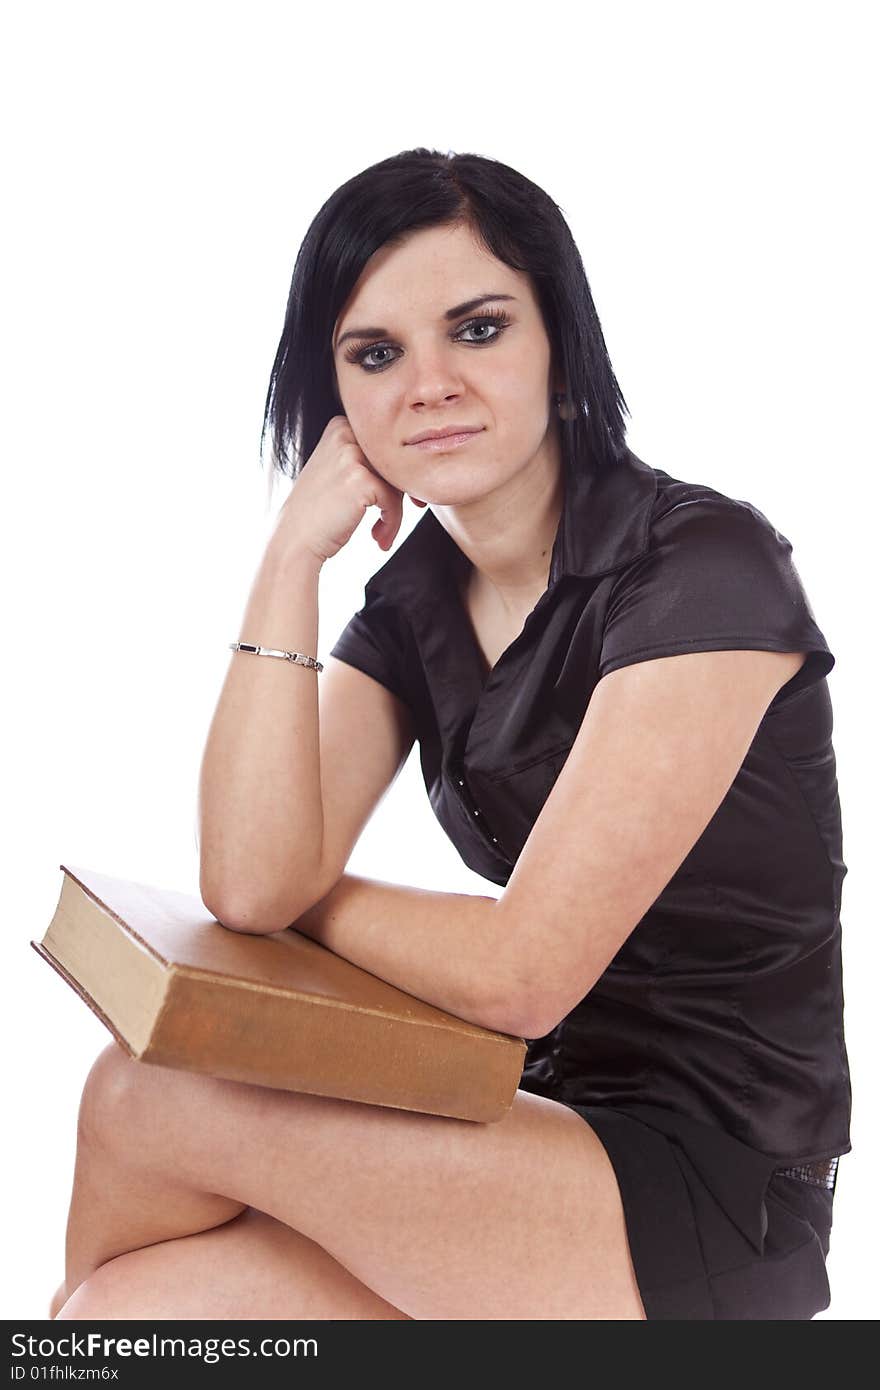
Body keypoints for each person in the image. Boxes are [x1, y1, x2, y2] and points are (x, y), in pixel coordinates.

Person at [50, 148, 851, 1321]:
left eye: (475, 330)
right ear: (335, 401)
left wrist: (298, 899)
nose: (426, 384)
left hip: (708, 1185)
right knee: (122, 1315)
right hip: (514, 1121)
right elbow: (244, 870)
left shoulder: (702, 573)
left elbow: (521, 973)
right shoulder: (418, 598)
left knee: (143, 1094)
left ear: (559, 347)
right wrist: (290, 559)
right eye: (374, 354)